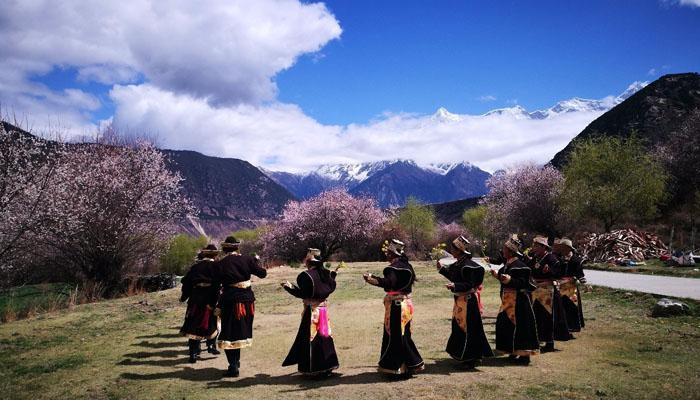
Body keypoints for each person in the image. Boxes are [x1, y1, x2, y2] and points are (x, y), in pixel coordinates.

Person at [363, 239, 424, 375]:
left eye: (388, 253)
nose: (387, 256)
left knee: (395, 335)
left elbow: (388, 283)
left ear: (392, 254)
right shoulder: (407, 267)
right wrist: (374, 276)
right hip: (406, 304)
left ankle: (399, 366)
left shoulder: (393, 268)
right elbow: (394, 282)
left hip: (396, 306)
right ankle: (409, 365)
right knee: (404, 334)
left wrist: (372, 280)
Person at [213, 236, 267, 377]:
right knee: (240, 332)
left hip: (229, 301)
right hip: (247, 301)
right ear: (237, 247)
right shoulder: (247, 260)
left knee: (228, 332)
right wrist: (255, 263)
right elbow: (263, 274)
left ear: (224, 249)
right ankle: (236, 362)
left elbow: (215, 284)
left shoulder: (221, 264)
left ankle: (233, 365)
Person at [281, 248, 340, 376]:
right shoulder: (326, 274)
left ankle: (313, 368)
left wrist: (288, 287)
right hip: (323, 310)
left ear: (309, 262)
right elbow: (331, 286)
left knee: (311, 338)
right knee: (325, 337)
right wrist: (333, 276)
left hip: (312, 311)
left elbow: (302, 293)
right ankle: (328, 365)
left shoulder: (306, 276)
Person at [437, 235, 493, 367]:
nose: (451, 249)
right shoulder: (458, 264)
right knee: (459, 327)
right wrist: (441, 270)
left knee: (469, 329)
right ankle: (465, 355)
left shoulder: (468, 266)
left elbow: (470, 283)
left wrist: (455, 286)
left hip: (468, 301)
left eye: (452, 248)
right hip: (460, 301)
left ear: (458, 250)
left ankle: (471, 357)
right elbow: (453, 277)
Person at [489, 235, 539, 365]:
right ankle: (512, 350)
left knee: (521, 327)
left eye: (504, 249)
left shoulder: (520, 266)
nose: (502, 251)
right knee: (506, 325)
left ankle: (524, 354)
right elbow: (505, 280)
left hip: (519, 302)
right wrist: (498, 276)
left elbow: (522, 283)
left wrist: (509, 279)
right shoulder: (508, 264)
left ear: (510, 251)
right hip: (508, 300)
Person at [526, 235, 569, 352]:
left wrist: (549, 271)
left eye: (536, 246)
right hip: (535, 292)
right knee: (536, 316)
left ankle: (550, 342)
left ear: (543, 247)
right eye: (534, 246)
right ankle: (538, 339)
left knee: (548, 317)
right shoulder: (533, 260)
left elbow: (559, 273)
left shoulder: (551, 259)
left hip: (547, 292)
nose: (534, 248)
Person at [179, 244, 221, 363]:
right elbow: (219, 284)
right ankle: (211, 345)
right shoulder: (217, 267)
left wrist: (184, 296)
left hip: (196, 298)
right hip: (210, 298)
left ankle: (193, 353)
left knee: (193, 324)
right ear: (215, 255)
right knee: (212, 323)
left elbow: (186, 281)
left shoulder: (196, 267)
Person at [553, 237, 586, 335]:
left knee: (571, 307)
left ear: (568, 248)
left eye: (563, 247)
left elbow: (579, 273)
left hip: (570, 287)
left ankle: (571, 327)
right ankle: (559, 328)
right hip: (559, 286)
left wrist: (581, 278)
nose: (561, 249)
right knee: (559, 307)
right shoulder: (556, 258)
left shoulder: (575, 260)